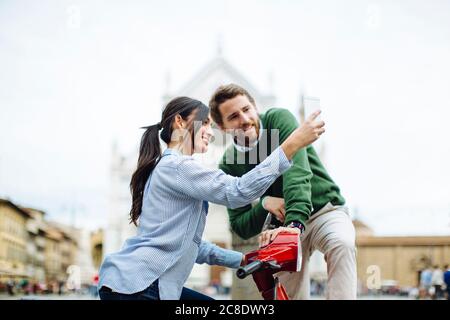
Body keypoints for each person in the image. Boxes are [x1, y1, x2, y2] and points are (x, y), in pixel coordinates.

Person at [97, 96, 324, 300]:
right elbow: (236, 191)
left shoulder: (169, 168)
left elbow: (194, 246)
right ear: (180, 122)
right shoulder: (178, 166)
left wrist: (244, 260)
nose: (211, 131)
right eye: (204, 123)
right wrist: (292, 145)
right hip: (140, 285)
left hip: (138, 284)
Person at [209, 83, 357, 300]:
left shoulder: (279, 120)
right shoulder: (229, 164)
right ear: (222, 127)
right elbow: (240, 225)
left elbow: (295, 173)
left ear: (255, 106)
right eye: (233, 117)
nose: (244, 119)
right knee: (289, 296)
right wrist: (264, 203)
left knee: (342, 244)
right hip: (281, 227)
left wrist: (295, 224)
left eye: (247, 109)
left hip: (323, 210)